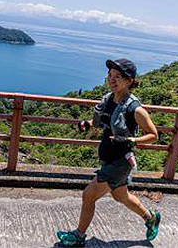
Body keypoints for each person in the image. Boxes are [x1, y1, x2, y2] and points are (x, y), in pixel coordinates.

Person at [57, 58, 161, 247]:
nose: (112, 80)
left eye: (118, 77)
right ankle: (150, 218)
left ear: (129, 81)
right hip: (111, 159)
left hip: (119, 162)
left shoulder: (135, 109)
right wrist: (87, 124)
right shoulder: (109, 99)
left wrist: (130, 140)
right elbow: (103, 121)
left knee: (88, 195)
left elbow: (154, 135)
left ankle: (79, 236)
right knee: (121, 196)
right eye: (110, 75)